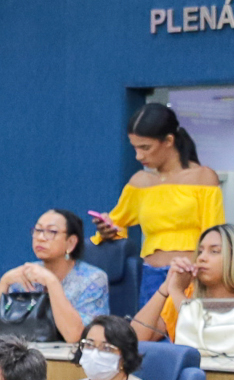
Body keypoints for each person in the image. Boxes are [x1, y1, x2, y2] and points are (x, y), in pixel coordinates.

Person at [91, 102, 224, 270]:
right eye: (135, 148)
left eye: (145, 147)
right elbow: (116, 225)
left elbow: (215, 235)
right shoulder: (140, 182)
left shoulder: (203, 177)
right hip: (150, 274)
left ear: (168, 140)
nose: (138, 156)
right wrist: (107, 230)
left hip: (192, 274)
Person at [131, 224, 234, 358]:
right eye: (200, 251)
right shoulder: (186, 295)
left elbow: (209, 344)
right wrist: (165, 288)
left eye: (214, 251)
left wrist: (176, 291)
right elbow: (134, 340)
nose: (202, 258)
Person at [0, 210, 110, 342]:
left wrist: (52, 282)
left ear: (71, 242)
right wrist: (4, 282)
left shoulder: (93, 279)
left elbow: (75, 336)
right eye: (38, 230)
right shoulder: (25, 274)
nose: (40, 237)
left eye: (51, 232)